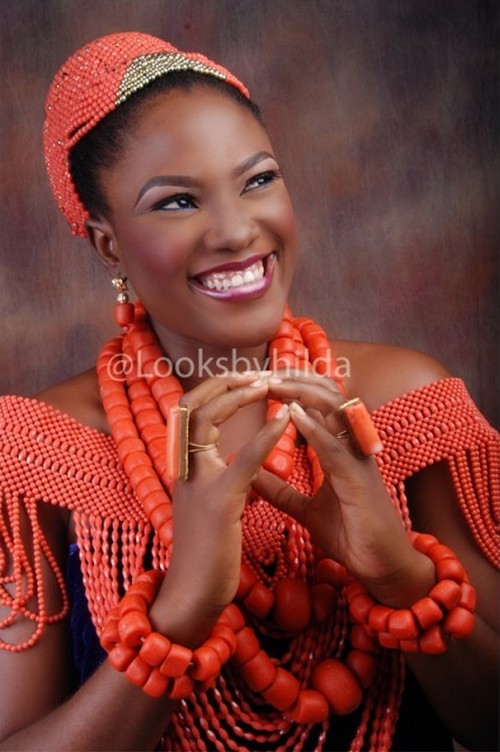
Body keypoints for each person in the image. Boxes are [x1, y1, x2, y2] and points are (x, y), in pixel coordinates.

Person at [0, 31, 498, 752]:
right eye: (176, 202)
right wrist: (181, 613)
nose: (237, 229)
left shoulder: (409, 406)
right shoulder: (38, 455)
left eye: (258, 179)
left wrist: (400, 577)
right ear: (109, 246)